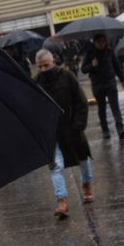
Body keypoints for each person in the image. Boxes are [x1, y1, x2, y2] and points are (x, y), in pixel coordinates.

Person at [35, 49, 94, 218]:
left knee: (83, 158)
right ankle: (62, 201)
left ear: (53, 62)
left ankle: (87, 184)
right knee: (55, 166)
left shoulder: (67, 77)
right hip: (51, 132)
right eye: (40, 66)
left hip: (72, 128)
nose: (44, 69)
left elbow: (81, 101)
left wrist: (78, 125)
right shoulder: (36, 82)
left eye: (46, 65)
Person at [80, 33, 124, 140]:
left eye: (103, 41)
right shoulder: (90, 54)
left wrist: (122, 79)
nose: (101, 44)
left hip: (110, 83)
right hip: (98, 85)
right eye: (99, 42)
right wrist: (92, 65)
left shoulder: (110, 51)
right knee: (102, 109)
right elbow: (83, 69)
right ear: (95, 42)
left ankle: (120, 129)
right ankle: (105, 130)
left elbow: (117, 66)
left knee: (115, 107)